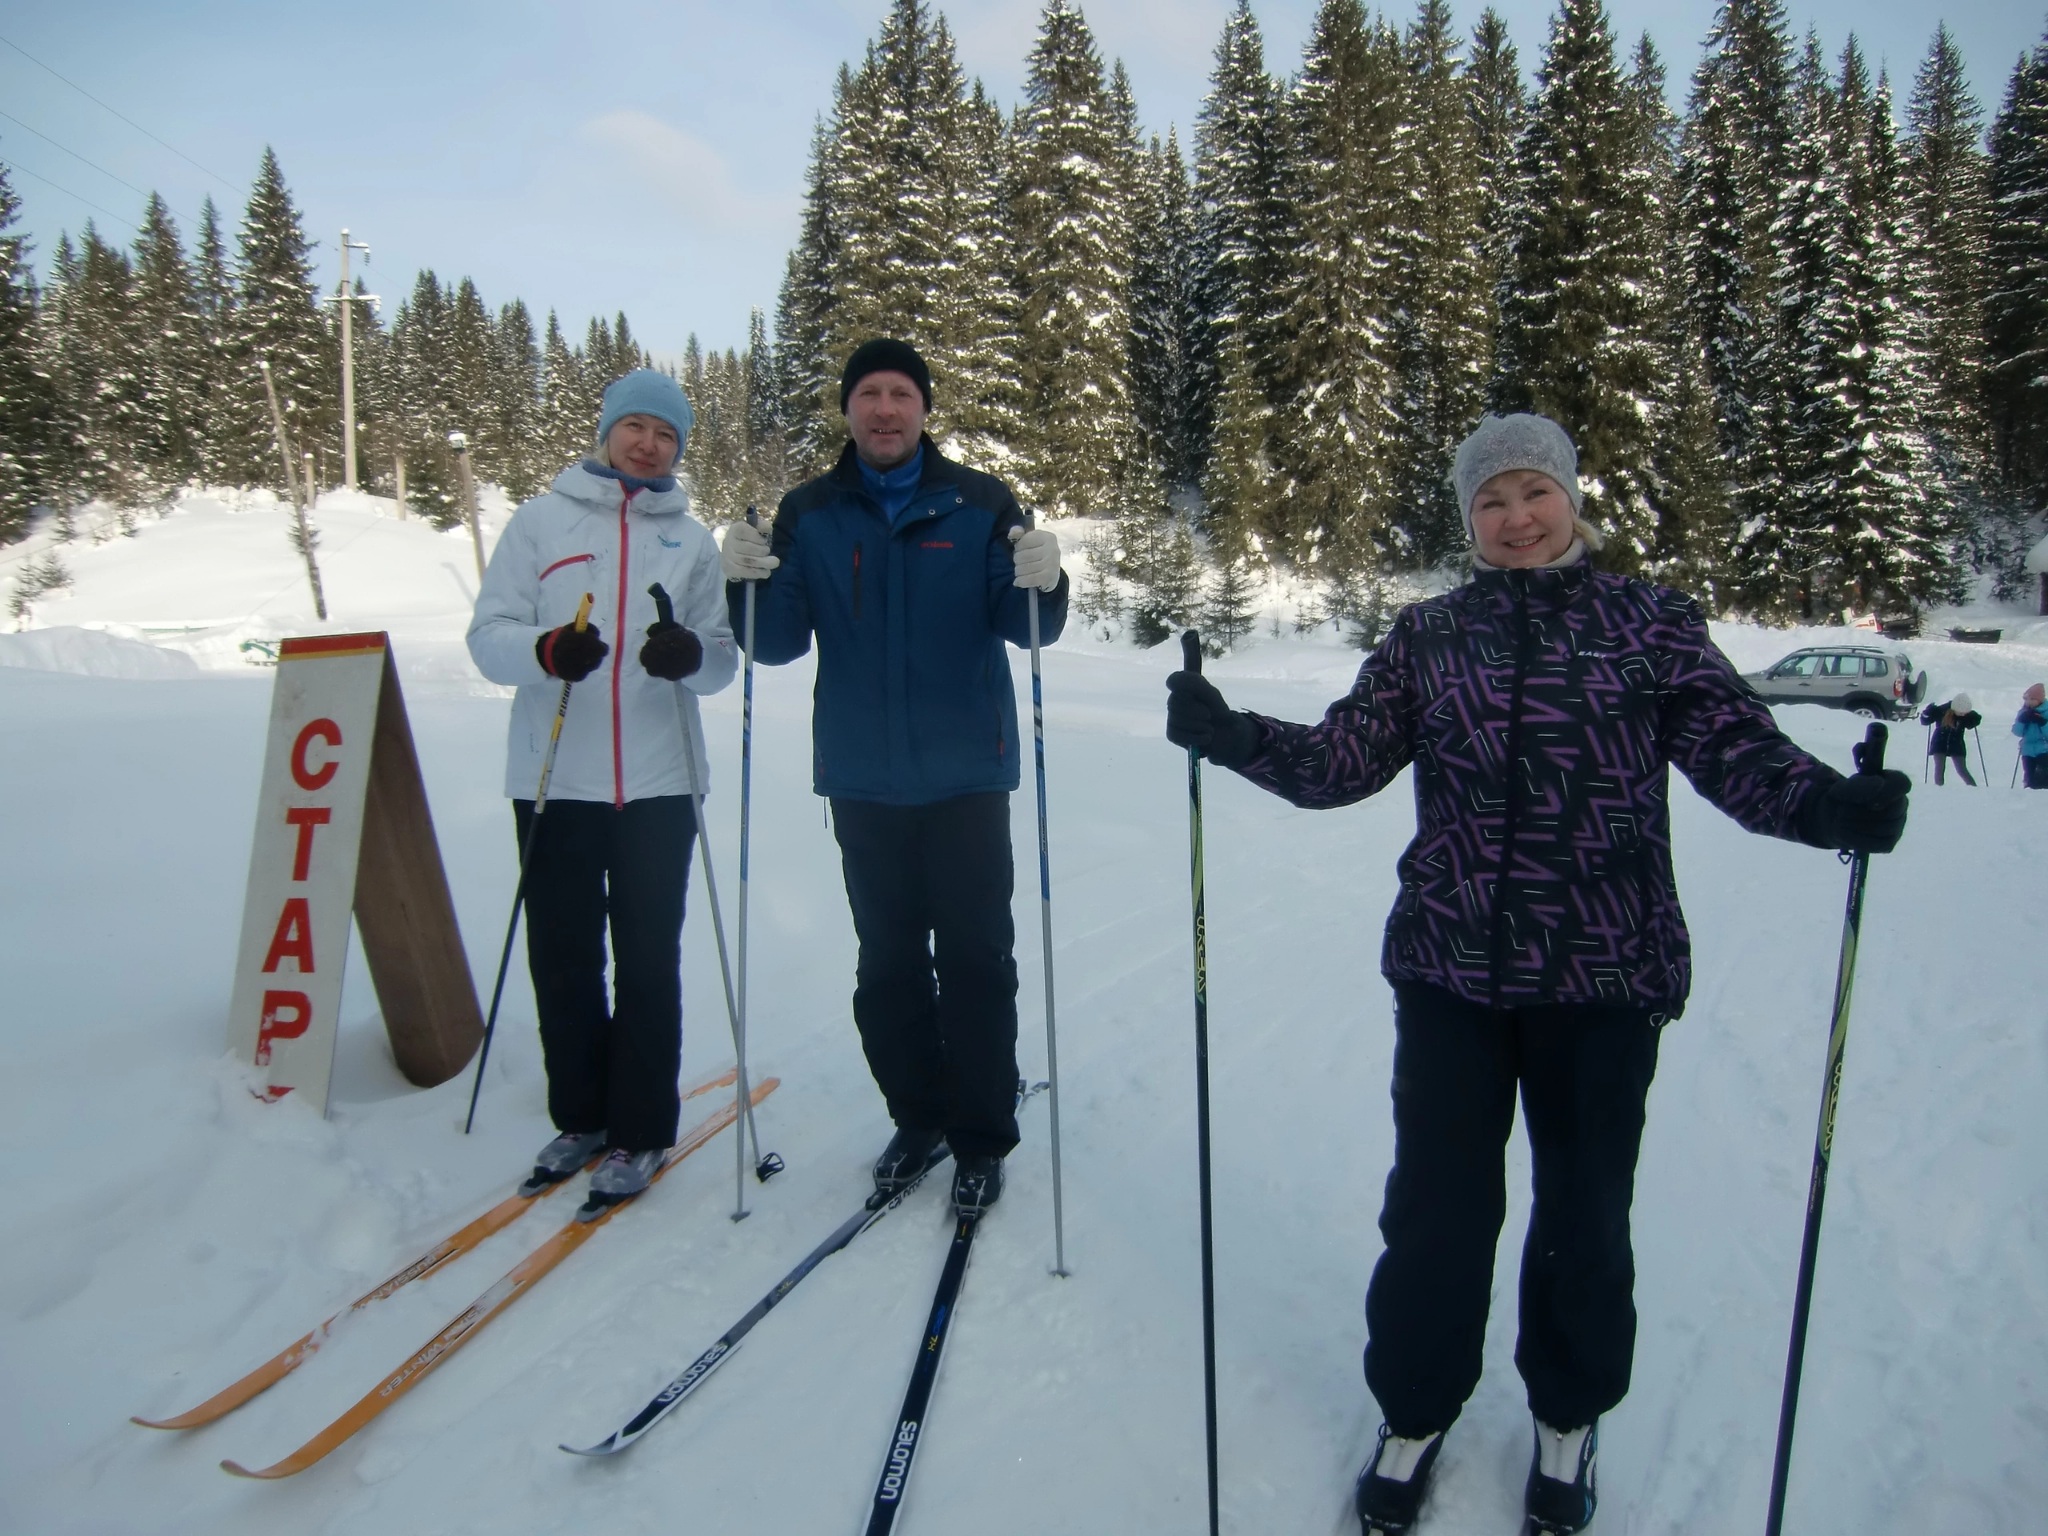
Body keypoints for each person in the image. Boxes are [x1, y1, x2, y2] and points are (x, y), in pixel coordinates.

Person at [1163, 413, 1911, 1536]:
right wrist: (1234, 736)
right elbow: (1341, 760)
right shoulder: (1428, 635)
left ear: (1569, 499)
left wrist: (1820, 807)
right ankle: (1412, 1411)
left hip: (1603, 976)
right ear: (1466, 519)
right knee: (1434, 1214)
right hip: (1450, 974)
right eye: (1488, 502)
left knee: (1581, 1213)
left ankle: (1565, 1417)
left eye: (1531, 493)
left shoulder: (1645, 622)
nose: (1514, 518)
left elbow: (1732, 747)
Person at [719, 338, 1067, 1221]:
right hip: (865, 784)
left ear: (923, 409)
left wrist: (1046, 581)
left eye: (901, 394)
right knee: (889, 970)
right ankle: (920, 1118)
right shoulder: (811, 511)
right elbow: (776, 643)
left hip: (966, 779)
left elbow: (1024, 626)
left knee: (979, 964)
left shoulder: (980, 500)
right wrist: (744, 584)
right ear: (847, 410)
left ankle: (983, 1135)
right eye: (868, 394)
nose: (884, 409)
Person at [467, 370, 737, 1202]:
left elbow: (723, 656)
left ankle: (643, 1128)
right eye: (637, 428)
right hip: (556, 779)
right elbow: (488, 637)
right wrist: (547, 651)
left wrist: (689, 658)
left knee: (650, 960)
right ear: (608, 432)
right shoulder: (542, 521)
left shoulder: (691, 541)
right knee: (564, 957)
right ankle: (581, 1117)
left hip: (660, 785)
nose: (649, 444)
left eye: (666, 434)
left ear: (678, 449)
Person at [1920, 694, 1981, 786]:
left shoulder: (1964, 716)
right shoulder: (1941, 711)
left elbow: (1970, 725)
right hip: (1939, 743)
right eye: (1961, 712)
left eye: (1965, 713)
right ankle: (1939, 789)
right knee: (1939, 768)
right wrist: (1927, 712)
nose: (1963, 714)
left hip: (1956, 744)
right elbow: (1925, 721)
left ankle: (1974, 788)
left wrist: (1975, 718)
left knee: (1961, 769)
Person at [2013, 684, 2048, 789]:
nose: (2029, 702)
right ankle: (2029, 799)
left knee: (2043, 779)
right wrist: (2021, 721)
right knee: (2029, 779)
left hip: (2044, 750)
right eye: (2027, 699)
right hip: (2027, 751)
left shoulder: (2046, 712)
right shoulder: (2023, 712)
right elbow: (2017, 732)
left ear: (2039, 700)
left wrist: (2043, 723)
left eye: (2032, 699)